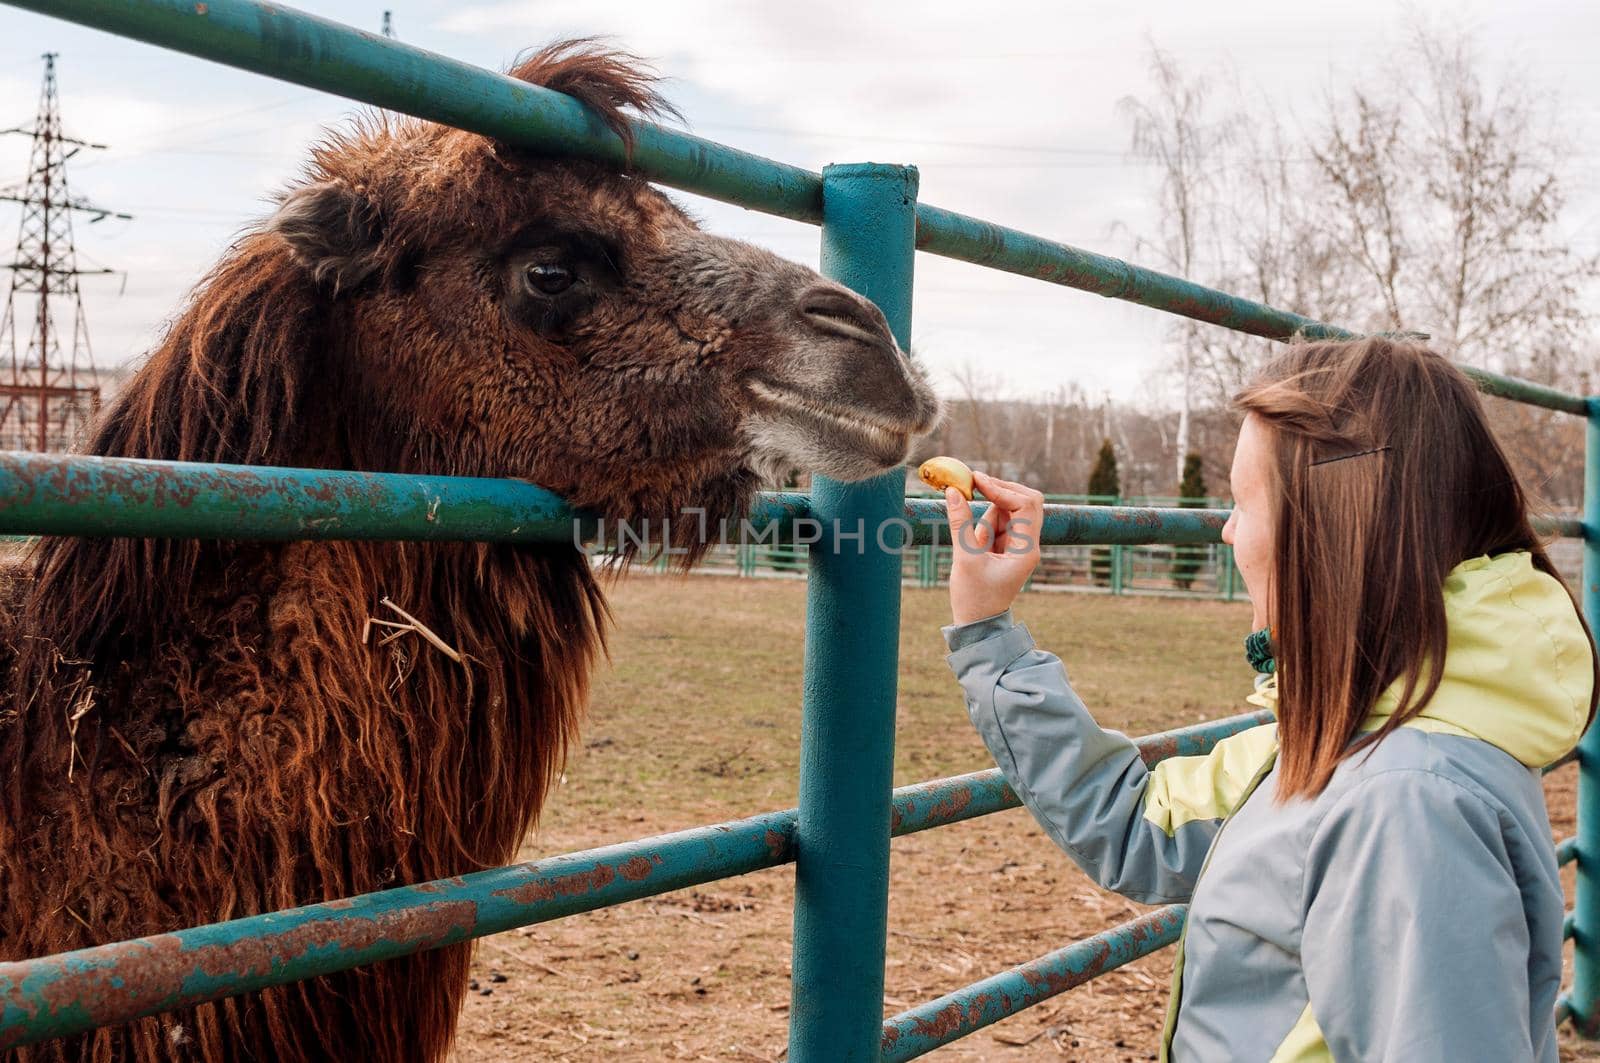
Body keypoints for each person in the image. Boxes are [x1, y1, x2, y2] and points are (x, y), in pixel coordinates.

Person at [939, 337, 1597, 1062]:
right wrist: (988, 634)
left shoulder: (1407, 803)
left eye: (1240, 504)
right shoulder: (1360, 729)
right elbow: (1133, 820)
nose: (1223, 530)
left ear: (1330, 531)